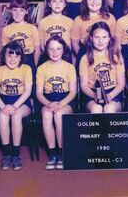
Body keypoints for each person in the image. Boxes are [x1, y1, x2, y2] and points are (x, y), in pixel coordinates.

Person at [36, 36, 76, 170]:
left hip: (66, 100)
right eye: (51, 49)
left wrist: (60, 104)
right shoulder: (42, 68)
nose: (55, 52)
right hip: (47, 100)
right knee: (47, 115)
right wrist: (48, 104)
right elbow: (39, 93)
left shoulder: (69, 67)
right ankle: (53, 154)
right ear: (46, 50)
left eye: (58, 48)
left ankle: (62, 152)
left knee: (58, 115)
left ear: (63, 49)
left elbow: (73, 92)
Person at [0, 41, 32, 171]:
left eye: (16, 56)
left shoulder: (26, 68)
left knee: (16, 116)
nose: (12, 59)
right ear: (4, 56)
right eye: (9, 55)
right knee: (3, 117)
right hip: (3, 102)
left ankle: (16, 153)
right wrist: (3, 106)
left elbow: (27, 91)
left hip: (21, 102)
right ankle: (7, 154)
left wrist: (14, 106)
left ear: (21, 57)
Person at [79, 21, 125, 113]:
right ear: (91, 38)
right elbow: (83, 85)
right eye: (97, 37)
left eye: (104, 37)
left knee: (109, 109)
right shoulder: (85, 58)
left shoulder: (116, 57)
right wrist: (95, 95)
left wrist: (110, 95)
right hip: (92, 93)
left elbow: (121, 83)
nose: (101, 41)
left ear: (109, 38)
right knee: (96, 109)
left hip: (113, 92)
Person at [71, 0, 116, 70]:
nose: (94, 1)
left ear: (103, 0)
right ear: (85, 1)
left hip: (106, 55)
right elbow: (74, 44)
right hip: (86, 54)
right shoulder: (78, 19)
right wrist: (86, 58)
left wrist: (105, 57)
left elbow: (113, 41)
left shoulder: (110, 18)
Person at [2, 0, 40, 79]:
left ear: (26, 11)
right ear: (10, 11)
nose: (18, 13)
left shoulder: (32, 28)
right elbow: (5, 52)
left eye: (21, 10)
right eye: (15, 10)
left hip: (28, 59)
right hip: (13, 59)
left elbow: (37, 50)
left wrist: (34, 66)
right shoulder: (6, 30)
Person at [37, 0, 73, 64]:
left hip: (65, 56)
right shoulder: (42, 22)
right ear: (49, 4)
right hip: (49, 56)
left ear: (65, 4)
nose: (57, 4)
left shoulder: (70, 22)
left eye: (61, 1)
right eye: (54, 1)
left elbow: (71, 44)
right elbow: (42, 45)